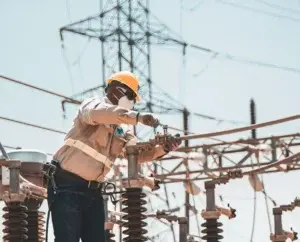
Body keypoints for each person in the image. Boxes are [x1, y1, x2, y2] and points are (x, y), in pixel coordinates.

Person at [46, 71, 182, 242]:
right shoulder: (92, 106)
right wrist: (137, 117)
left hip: (93, 191)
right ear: (117, 90)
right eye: (131, 96)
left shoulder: (121, 131)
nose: (132, 103)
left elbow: (137, 153)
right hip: (66, 185)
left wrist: (164, 147)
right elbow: (101, 113)